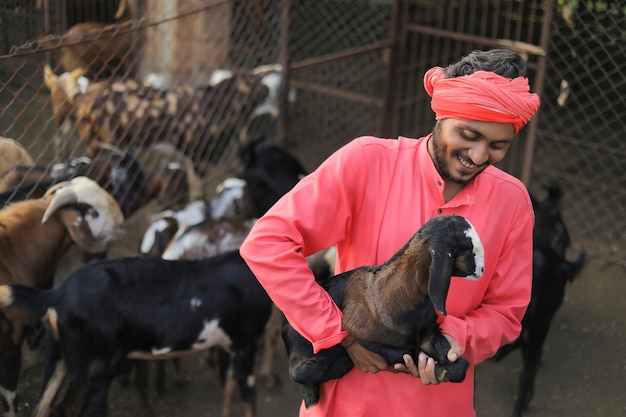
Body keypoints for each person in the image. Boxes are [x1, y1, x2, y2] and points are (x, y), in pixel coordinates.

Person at [239, 48, 540, 417]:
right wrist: (339, 333)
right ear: (440, 113)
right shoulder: (367, 162)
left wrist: (453, 340)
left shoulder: (512, 202)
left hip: (438, 405)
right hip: (347, 402)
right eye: (468, 134)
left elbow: (506, 312)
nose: (478, 156)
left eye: (498, 146)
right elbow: (268, 242)